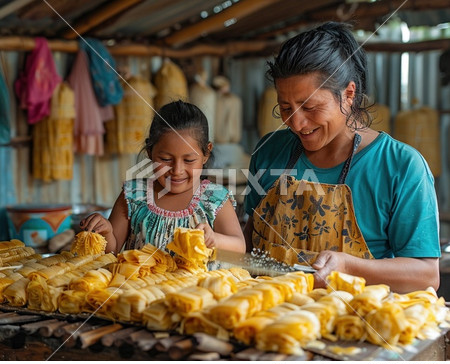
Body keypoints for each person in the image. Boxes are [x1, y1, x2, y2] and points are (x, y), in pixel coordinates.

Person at [243, 22, 440, 293]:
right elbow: (248, 244)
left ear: (348, 94)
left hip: (354, 326)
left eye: (310, 107)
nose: (297, 123)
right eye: (285, 107)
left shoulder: (401, 166)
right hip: (268, 323)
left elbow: (426, 276)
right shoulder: (268, 151)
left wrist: (349, 266)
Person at [81, 100, 246, 255]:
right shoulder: (134, 196)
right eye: (166, 159)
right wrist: (106, 231)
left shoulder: (215, 200)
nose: (177, 170)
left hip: (198, 286)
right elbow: (111, 252)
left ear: (206, 153)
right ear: (150, 152)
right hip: (140, 285)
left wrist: (214, 239)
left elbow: (239, 247)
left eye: (189, 160)